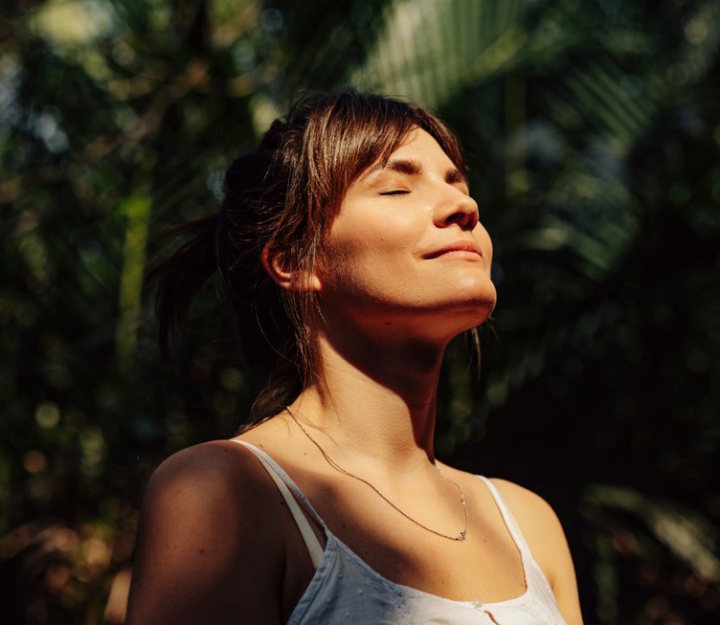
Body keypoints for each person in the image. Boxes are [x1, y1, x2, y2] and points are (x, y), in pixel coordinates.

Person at [126, 90, 584, 624]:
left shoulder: (528, 524)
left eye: (457, 183)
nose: (466, 207)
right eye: (396, 187)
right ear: (295, 260)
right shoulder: (226, 493)